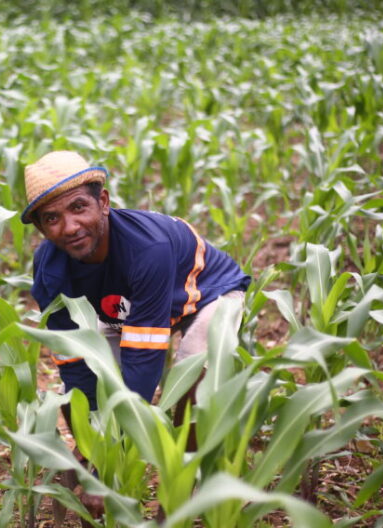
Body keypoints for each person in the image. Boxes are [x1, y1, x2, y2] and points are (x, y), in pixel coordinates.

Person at [23, 150, 251, 413]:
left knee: (193, 376)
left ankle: (187, 454)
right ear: (41, 229)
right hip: (130, 307)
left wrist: (126, 433)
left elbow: (143, 354)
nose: (71, 226)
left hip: (207, 294)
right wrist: (93, 438)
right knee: (74, 396)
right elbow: (73, 356)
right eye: (52, 218)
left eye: (78, 207)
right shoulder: (50, 268)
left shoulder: (148, 248)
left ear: (104, 202)